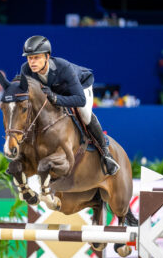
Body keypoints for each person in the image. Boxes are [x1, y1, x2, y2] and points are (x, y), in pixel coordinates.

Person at [20, 35, 120, 175]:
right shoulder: (26, 70)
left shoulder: (63, 67)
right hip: (54, 92)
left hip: (81, 87)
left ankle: (105, 153)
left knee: (84, 114)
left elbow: (79, 99)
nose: (32, 62)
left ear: (47, 57)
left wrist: (55, 98)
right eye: (29, 58)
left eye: (37, 57)